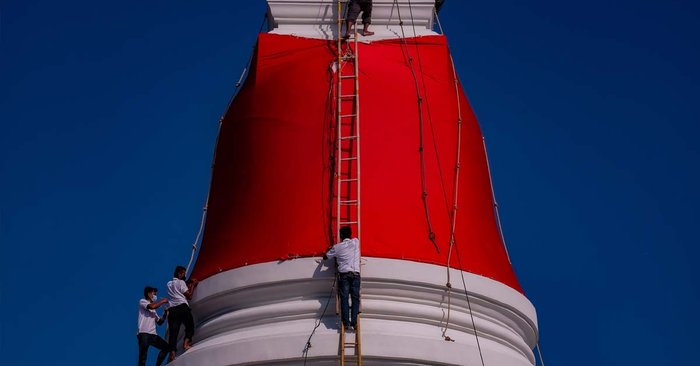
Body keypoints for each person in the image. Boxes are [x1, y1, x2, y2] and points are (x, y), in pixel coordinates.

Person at [324, 226, 361, 331]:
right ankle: (354, 322)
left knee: (344, 299)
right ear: (350, 234)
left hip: (344, 275)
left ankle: (346, 323)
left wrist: (330, 249)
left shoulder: (337, 247)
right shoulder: (356, 242)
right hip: (355, 274)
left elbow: (325, 256)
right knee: (355, 299)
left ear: (340, 236)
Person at [166, 265, 199, 362]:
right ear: (179, 274)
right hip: (182, 307)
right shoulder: (181, 282)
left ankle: (172, 353)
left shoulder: (169, 284)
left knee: (173, 333)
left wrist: (186, 282)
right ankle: (186, 344)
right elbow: (189, 296)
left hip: (172, 310)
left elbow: (178, 285)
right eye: (184, 273)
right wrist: (192, 285)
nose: (185, 275)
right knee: (190, 326)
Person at [136, 286, 170, 366]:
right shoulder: (143, 301)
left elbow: (159, 322)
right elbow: (152, 306)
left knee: (166, 348)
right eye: (154, 293)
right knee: (143, 357)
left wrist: (165, 314)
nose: (155, 295)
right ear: (148, 293)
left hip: (153, 334)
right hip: (144, 333)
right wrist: (163, 301)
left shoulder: (153, 310)